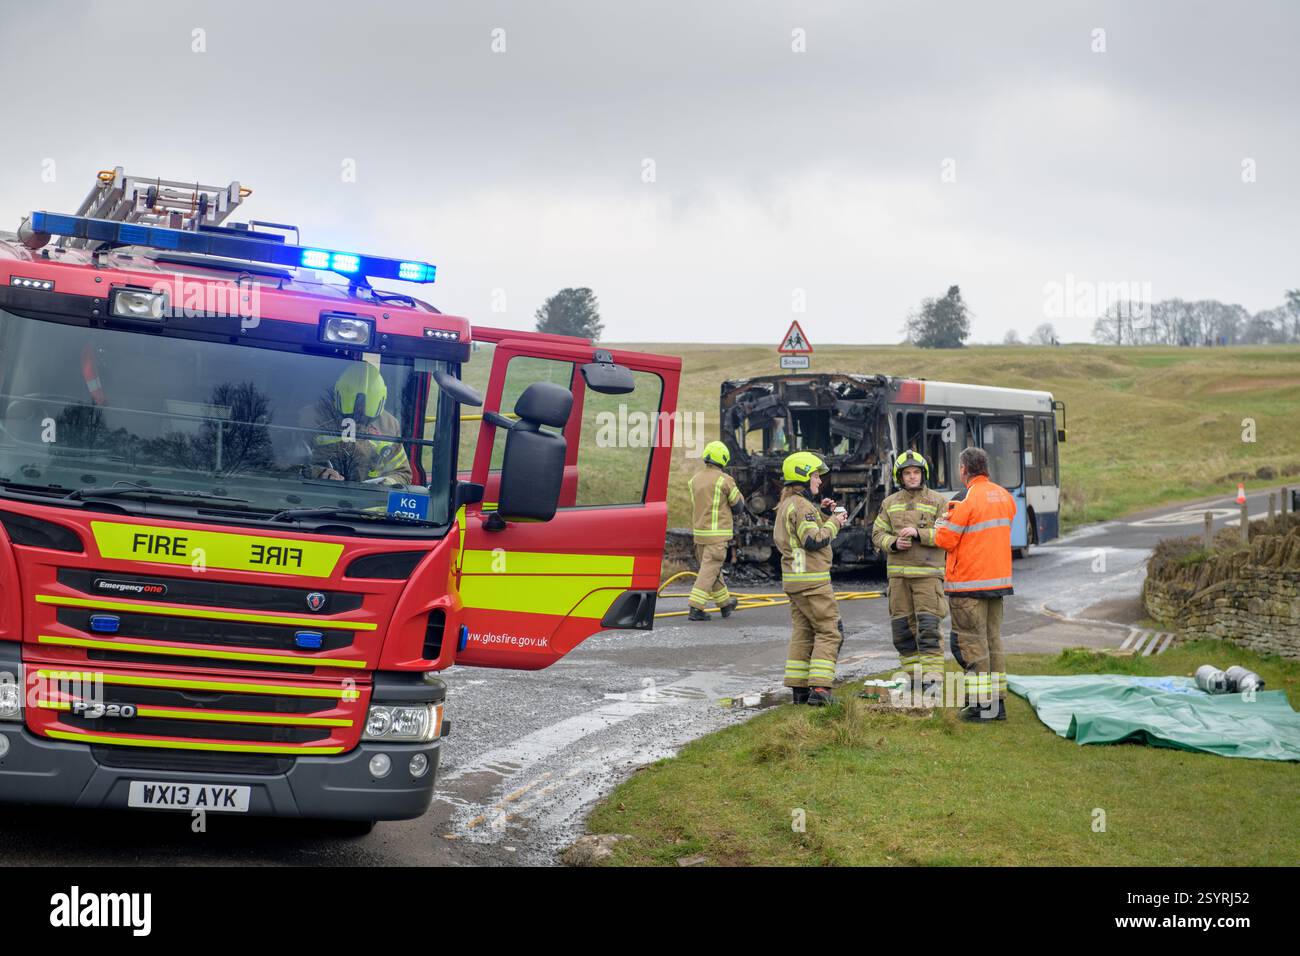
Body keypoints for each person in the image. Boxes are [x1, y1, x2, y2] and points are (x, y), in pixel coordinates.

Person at [933, 446, 1016, 721]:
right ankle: (998, 703)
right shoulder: (1004, 496)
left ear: (963, 470)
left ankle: (983, 707)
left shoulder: (963, 499)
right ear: (986, 467)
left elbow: (946, 540)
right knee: (993, 642)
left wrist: (938, 527)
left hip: (968, 585)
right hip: (998, 584)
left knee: (971, 644)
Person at [870, 450, 948, 697]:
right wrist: (893, 543)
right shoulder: (889, 503)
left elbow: (948, 535)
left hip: (928, 576)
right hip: (898, 579)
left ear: (923, 475)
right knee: (903, 631)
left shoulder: (938, 502)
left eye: (916, 472)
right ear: (900, 477)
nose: (912, 477)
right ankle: (913, 680)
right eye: (907, 473)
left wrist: (919, 534)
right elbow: (876, 535)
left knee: (928, 629)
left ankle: (933, 682)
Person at [774, 451, 848, 705]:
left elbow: (800, 537)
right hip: (813, 581)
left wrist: (824, 515)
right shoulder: (803, 506)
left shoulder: (788, 504)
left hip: (795, 579)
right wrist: (835, 522)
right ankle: (820, 691)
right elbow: (812, 540)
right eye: (816, 475)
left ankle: (799, 690)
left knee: (803, 632)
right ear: (804, 477)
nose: (819, 481)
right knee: (830, 631)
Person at [311, 363, 412, 486]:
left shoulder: (389, 426)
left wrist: (389, 481)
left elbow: (403, 473)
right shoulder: (316, 418)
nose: (359, 411)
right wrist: (320, 473)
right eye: (354, 410)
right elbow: (293, 465)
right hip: (321, 492)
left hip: (371, 498)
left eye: (365, 412)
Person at [686, 441, 744, 621]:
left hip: (700, 535)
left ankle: (725, 605)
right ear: (723, 459)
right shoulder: (724, 479)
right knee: (708, 571)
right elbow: (738, 506)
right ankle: (695, 608)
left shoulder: (694, 479)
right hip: (717, 536)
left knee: (713, 570)